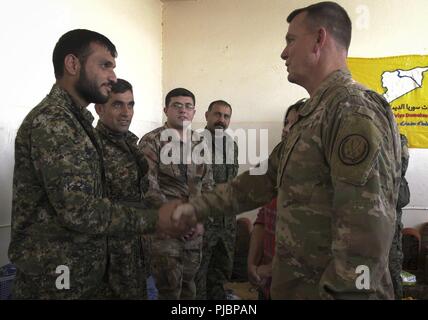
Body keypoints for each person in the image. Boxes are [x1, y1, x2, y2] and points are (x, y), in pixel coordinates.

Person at [171, 1, 401, 299]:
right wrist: (191, 210)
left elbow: (366, 233)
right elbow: (256, 183)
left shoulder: (352, 111)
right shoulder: (312, 116)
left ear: (319, 39)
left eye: (291, 40)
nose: (283, 52)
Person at [8, 29, 179, 299]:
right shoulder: (55, 121)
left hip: (82, 273)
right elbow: (80, 210)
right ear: (73, 64)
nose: (112, 77)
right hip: (56, 280)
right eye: (104, 65)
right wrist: (156, 219)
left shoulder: (77, 122)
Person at [139, 88, 214, 299]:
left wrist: (199, 219)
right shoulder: (151, 141)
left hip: (193, 231)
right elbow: (148, 187)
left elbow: (207, 185)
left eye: (188, 106)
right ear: (166, 109)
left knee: (189, 287)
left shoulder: (200, 143)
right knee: (169, 290)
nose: (183, 110)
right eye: (177, 105)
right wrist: (176, 220)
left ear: (194, 112)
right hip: (165, 231)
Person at [94, 78, 151, 299]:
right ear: (100, 109)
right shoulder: (92, 147)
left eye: (131, 104)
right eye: (117, 104)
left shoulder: (131, 145)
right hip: (109, 262)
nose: (126, 112)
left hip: (136, 253)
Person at [247, 102, 302, 300]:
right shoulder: (276, 168)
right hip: (267, 283)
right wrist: (252, 265)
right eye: (285, 123)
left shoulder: (320, 177)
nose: (286, 130)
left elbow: (313, 241)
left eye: (294, 124)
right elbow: (263, 219)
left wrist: (269, 269)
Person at [195, 100, 239, 300]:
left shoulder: (232, 145)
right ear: (207, 115)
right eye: (217, 114)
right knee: (198, 273)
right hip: (204, 222)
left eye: (226, 116)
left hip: (226, 222)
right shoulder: (194, 142)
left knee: (221, 270)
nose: (221, 120)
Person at [389, 134, 410, 299]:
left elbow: (400, 168)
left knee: (392, 261)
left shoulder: (399, 138)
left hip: (391, 210)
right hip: (367, 210)